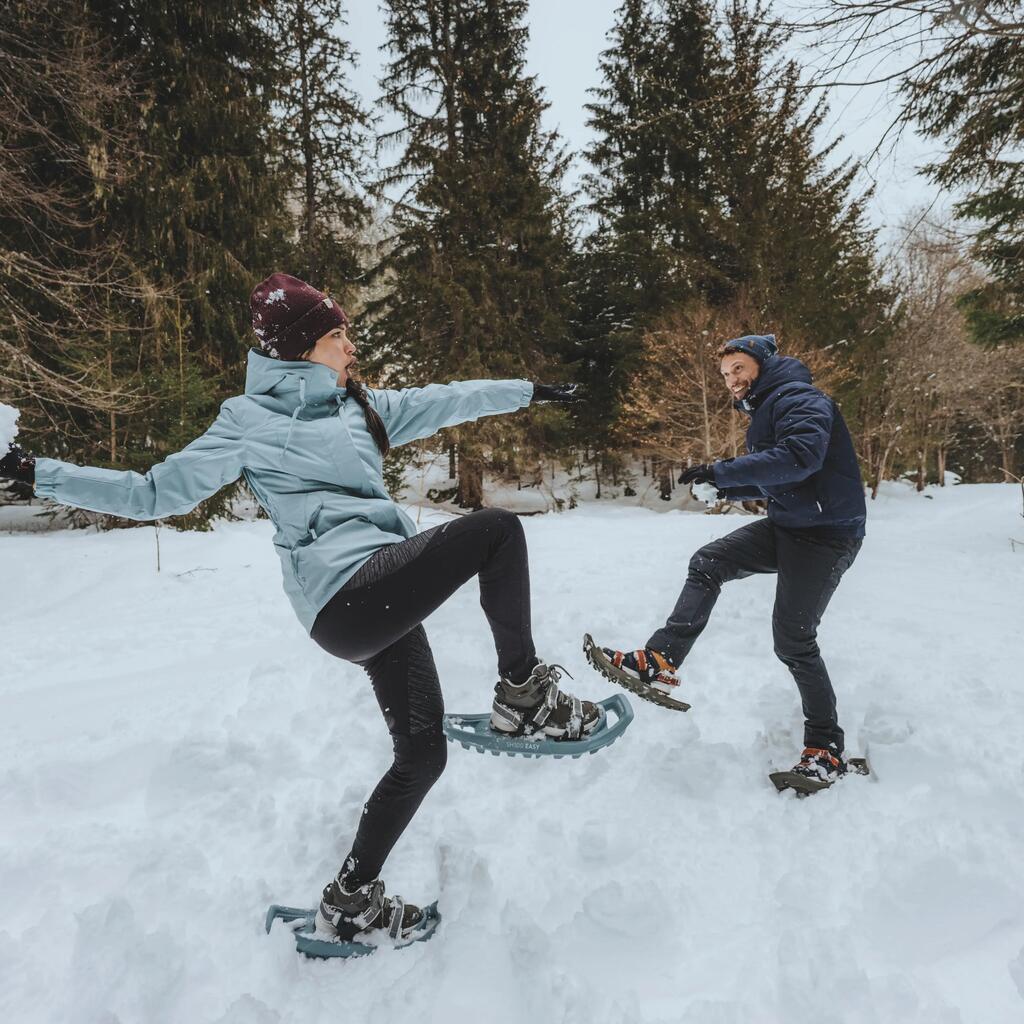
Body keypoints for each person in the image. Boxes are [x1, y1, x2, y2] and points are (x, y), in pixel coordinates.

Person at [0, 272, 608, 945]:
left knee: (424, 754)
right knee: (496, 531)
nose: (351, 345)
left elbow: (447, 401)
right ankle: (524, 698)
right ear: (299, 348)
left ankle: (351, 901)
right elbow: (152, 494)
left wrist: (528, 391)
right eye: (337, 335)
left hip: (378, 599)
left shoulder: (360, 408)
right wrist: (34, 472)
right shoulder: (248, 422)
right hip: (343, 595)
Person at [587, 334, 866, 787]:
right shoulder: (768, 405)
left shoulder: (798, 397)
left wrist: (722, 471)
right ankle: (660, 658)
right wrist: (726, 488)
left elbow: (799, 459)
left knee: (793, 640)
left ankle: (825, 749)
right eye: (725, 374)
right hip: (791, 525)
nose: (731, 380)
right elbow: (781, 479)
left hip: (826, 535)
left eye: (738, 368)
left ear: (762, 363)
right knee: (709, 562)